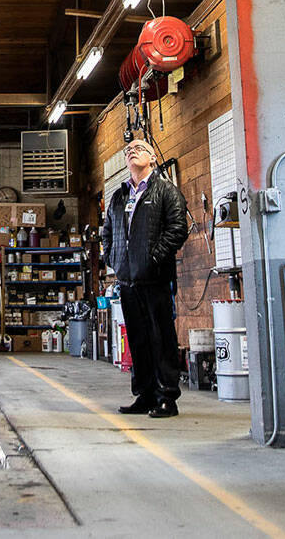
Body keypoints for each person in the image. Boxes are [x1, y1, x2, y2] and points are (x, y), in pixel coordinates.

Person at [100, 138, 188, 418]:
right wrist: (113, 259)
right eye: (128, 150)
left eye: (138, 148)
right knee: (137, 339)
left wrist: (152, 259)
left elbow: (177, 229)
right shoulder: (119, 195)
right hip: (127, 280)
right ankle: (145, 395)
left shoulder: (166, 191)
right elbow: (108, 232)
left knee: (161, 338)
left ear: (152, 158)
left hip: (155, 278)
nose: (131, 151)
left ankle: (167, 398)